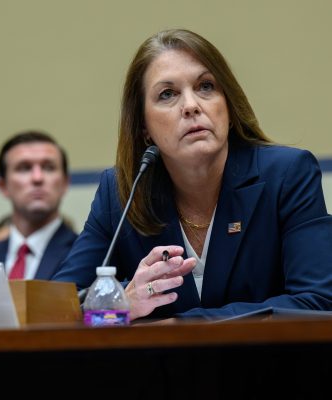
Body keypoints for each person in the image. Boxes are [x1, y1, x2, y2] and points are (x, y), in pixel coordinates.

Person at [53, 28, 332, 321]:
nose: (191, 106)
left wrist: (183, 325)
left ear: (228, 103)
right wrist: (121, 299)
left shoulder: (286, 174)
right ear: (144, 128)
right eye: (168, 94)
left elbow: (318, 301)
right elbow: (57, 306)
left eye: (206, 86)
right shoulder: (121, 191)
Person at [0, 130, 78, 280]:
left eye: (48, 167)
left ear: (65, 183)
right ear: (2, 186)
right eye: (24, 168)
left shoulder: (89, 258)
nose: (37, 178)